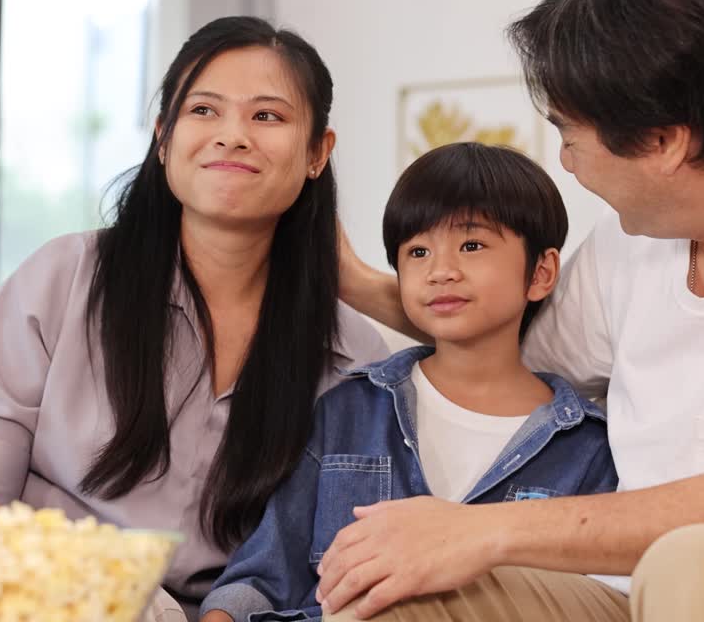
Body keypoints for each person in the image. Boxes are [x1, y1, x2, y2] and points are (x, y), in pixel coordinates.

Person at [327, 0, 704, 622]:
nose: (568, 163)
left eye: (570, 134)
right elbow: (503, 345)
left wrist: (482, 531)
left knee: (693, 562)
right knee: (397, 590)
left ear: (665, 142)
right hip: (631, 599)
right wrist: (353, 281)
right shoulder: (631, 242)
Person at [0, 15, 388, 622]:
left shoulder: (355, 355)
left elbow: (324, 559)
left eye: (267, 116)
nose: (233, 136)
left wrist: (371, 288)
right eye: (203, 111)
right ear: (164, 138)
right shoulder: (62, 279)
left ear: (316, 153)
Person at [199, 143, 617, 622]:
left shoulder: (588, 448)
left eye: (472, 245)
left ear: (541, 273)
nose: (440, 271)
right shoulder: (347, 411)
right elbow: (262, 575)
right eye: (417, 251)